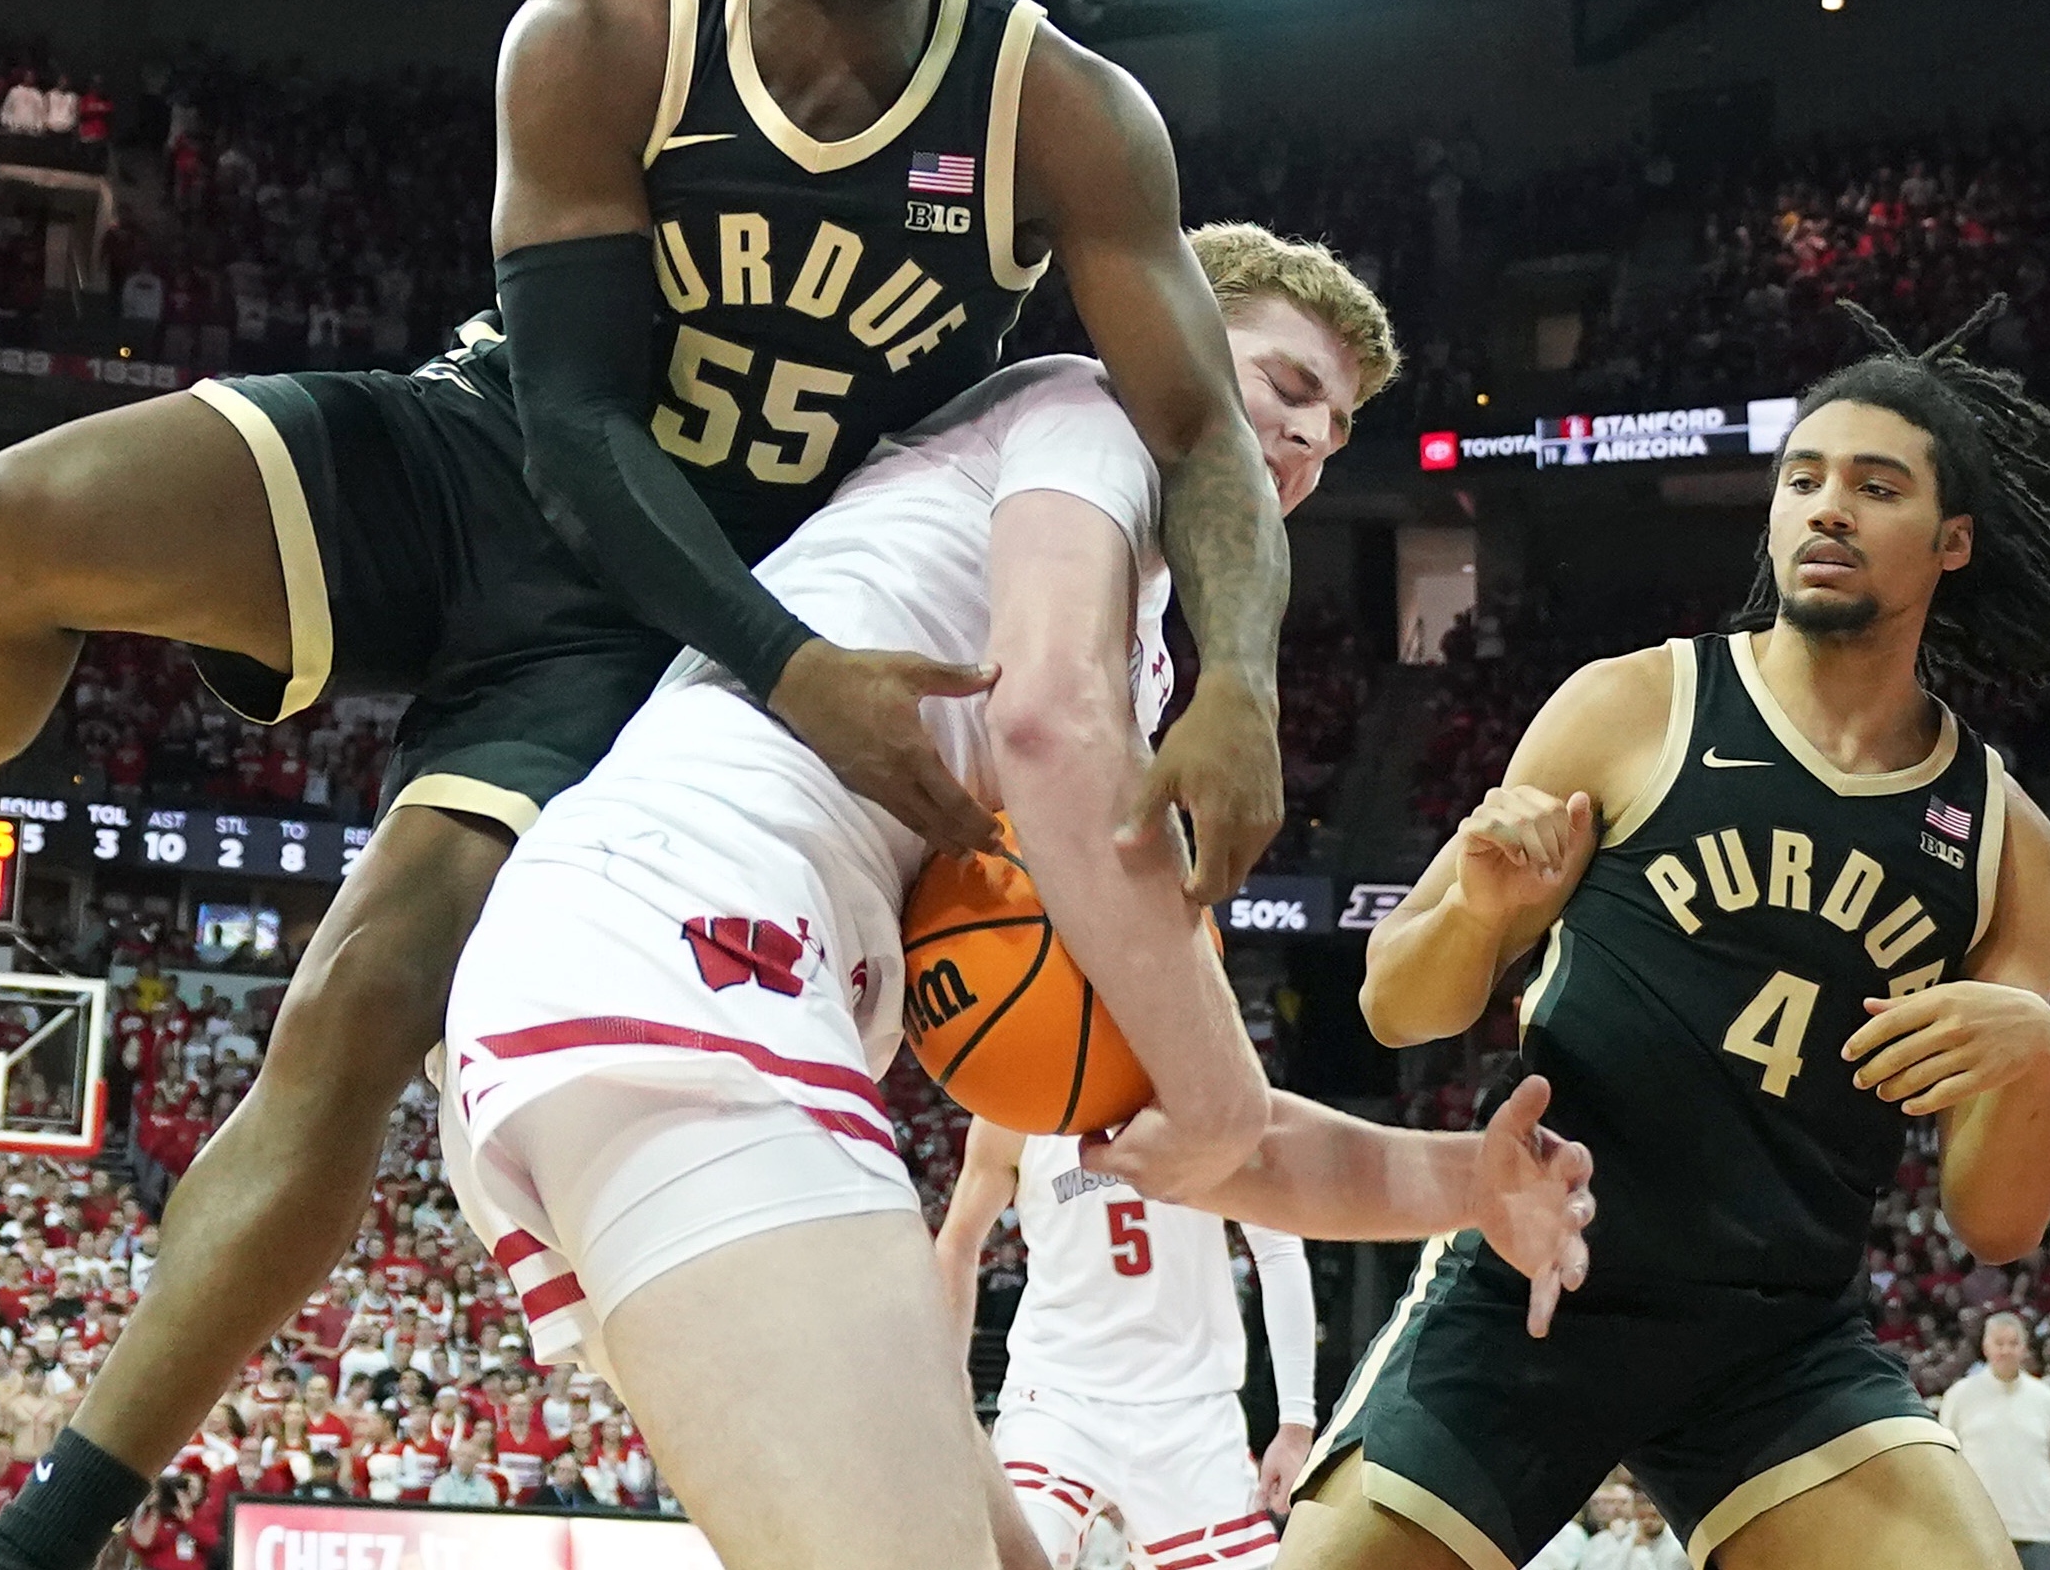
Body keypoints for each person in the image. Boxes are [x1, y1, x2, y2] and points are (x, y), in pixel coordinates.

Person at [0, 0, 1301, 1570]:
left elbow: (1201, 430)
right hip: (524, 470)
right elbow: (583, 436)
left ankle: (46, 1530)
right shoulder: (603, 35)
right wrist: (795, 671)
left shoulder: (1062, 106)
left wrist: (1237, 684)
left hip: (674, 611)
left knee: (363, 998)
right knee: (18, 522)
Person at [434, 226, 1593, 1570]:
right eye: (1283, 387)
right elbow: (1045, 726)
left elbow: (1201, 1126)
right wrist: (1213, 1095)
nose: (1303, 443)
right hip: (684, 958)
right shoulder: (1083, 409)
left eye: (1332, 433)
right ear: (1161, 332)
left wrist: (1473, 1184)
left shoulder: (1139, 658)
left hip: (691, 986)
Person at [1311, 298, 2050, 1570]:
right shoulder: (1634, 702)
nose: (1827, 506)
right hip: (1539, 1275)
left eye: (1875, 484)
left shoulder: (2005, 838)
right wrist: (1481, 908)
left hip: (1778, 1337)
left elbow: (1999, 1225)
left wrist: (2031, 1051)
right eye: (1802, 478)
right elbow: (1394, 1007)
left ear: (1952, 540)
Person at [934, 1113, 1318, 1570]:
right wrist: (948, 1396)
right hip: (1057, 1401)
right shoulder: (1019, 1100)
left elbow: (1278, 1247)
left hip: (1189, 1412)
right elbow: (958, 1241)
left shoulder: (1210, 1093)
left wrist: (1296, 1423)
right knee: (1002, 1558)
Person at [1940, 1314, 2050, 1570]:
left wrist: (2044, 1493)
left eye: (2013, 1343)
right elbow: (1947, 1457)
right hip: (1977, 1526)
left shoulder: (2046, 1399)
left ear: (2024, 1348)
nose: (2006, 1350)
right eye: (1999, 1343)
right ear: (1986, 1346)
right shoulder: (1960, 1395)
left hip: (2034, 1526)